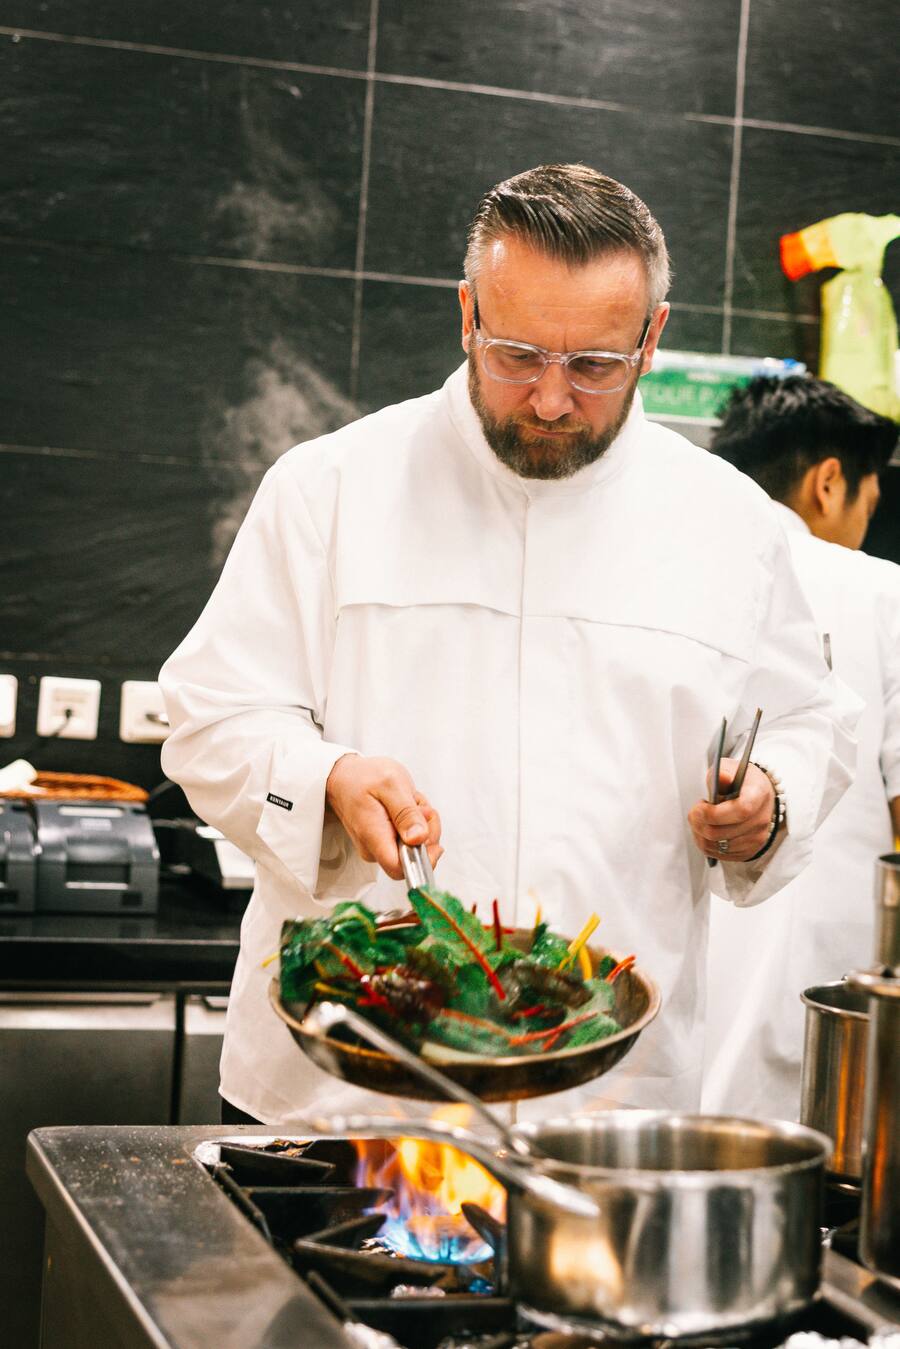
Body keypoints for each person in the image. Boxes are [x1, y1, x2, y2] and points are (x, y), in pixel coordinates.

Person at [159, 164, 857, 1129]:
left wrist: (768, 799)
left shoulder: (730, 524)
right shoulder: (332, 488)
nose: (553, 399)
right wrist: (327, 776)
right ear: (466, 316)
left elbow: (808, 722)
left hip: (607, 1109)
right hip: (340, 1093)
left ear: (652, 335)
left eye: (596, 364)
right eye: (517, 354)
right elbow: (211, 719)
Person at [702, 375, 899, 1120]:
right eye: (869, 507)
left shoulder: (676, 584)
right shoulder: (882, 594)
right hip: (830, 1008)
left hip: (664, 995)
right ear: (827, 483)